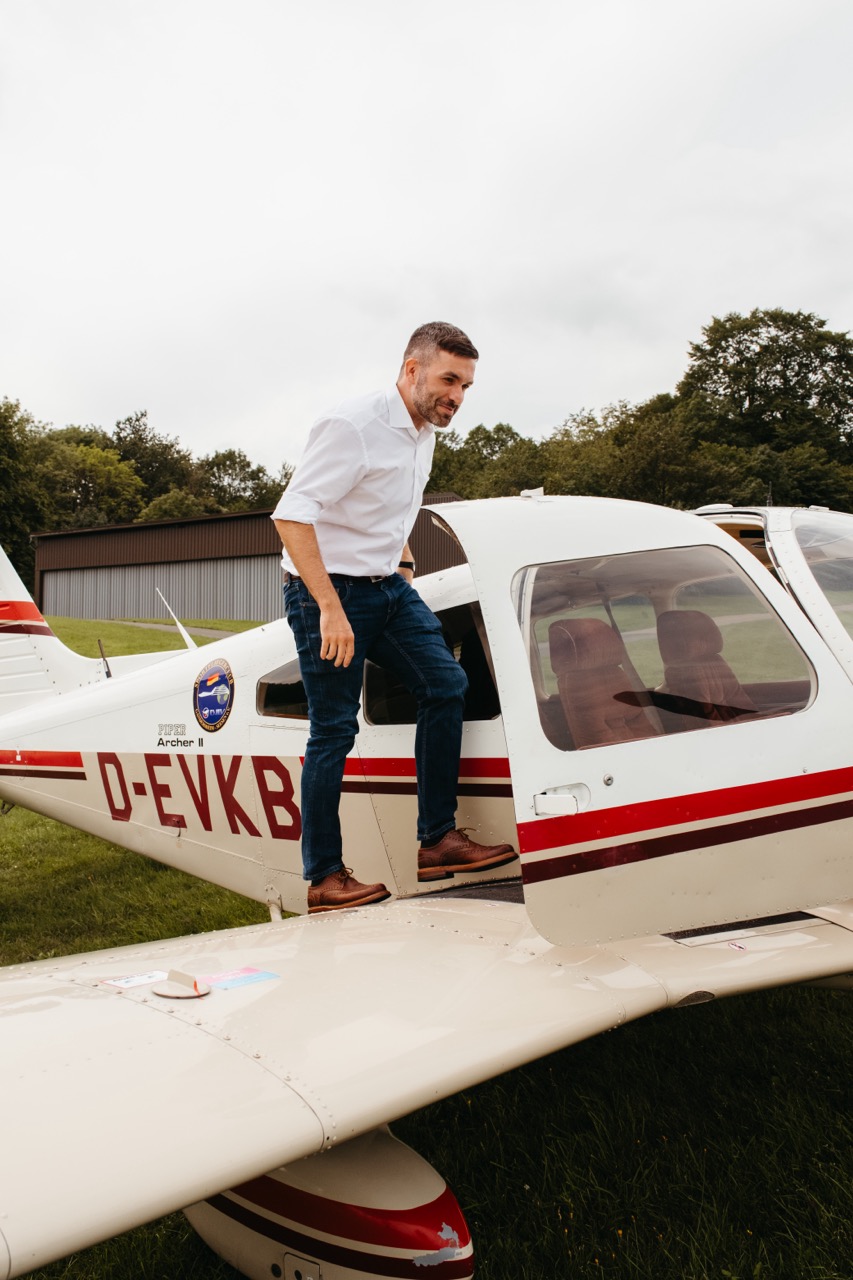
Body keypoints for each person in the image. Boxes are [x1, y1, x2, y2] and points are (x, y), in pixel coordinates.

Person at [272, 321, 517, 912]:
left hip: (386, 589)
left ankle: (436, 840)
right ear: (412, 369)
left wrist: (401, 563)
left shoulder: (423, 431)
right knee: (334, 730)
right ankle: (325, 878)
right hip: (327, 594)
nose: (457, 396)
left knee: (445, 684)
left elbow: (391, 507)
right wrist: (330, 608)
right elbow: (291, 516)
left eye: (466, 385)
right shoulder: (352, 425)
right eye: (448, 379)